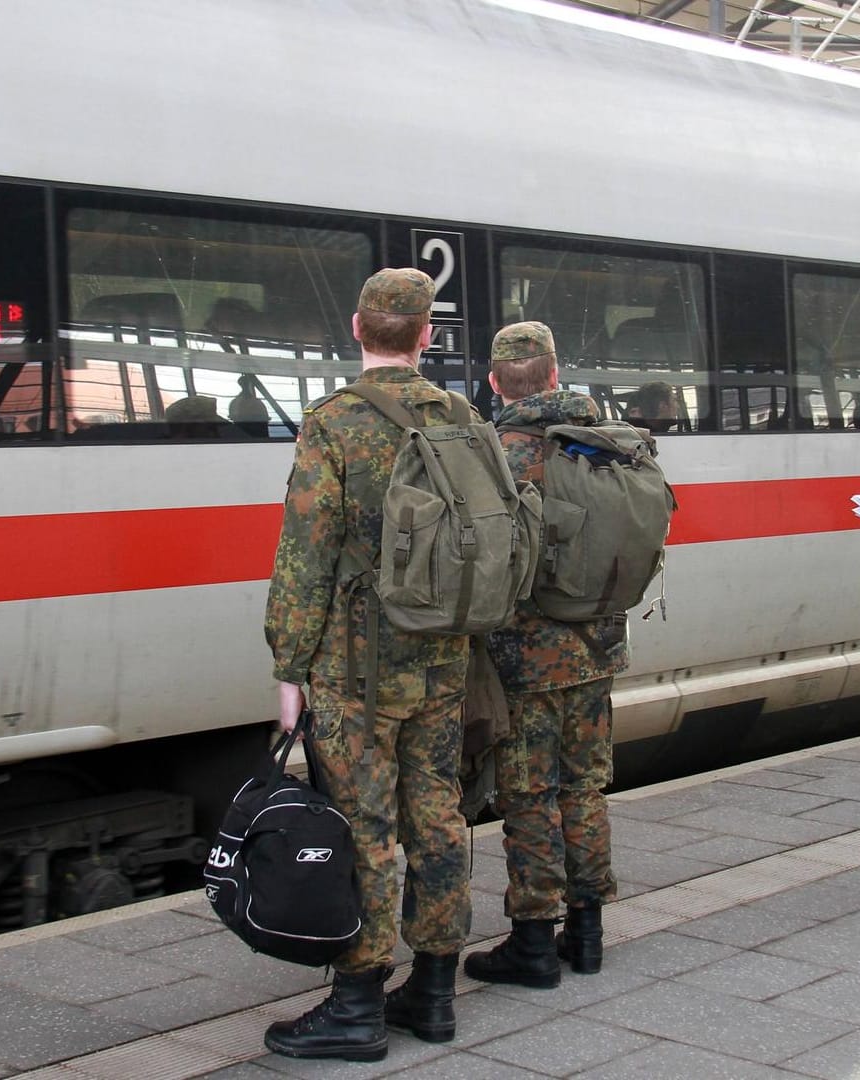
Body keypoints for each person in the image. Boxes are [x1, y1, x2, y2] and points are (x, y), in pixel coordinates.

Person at [262, 268, 470, 1062]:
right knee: (439, 815)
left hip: (356, 672)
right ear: (426, 335)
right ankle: (437, 992)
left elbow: (305, 555)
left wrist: (290, 664)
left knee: (365, 826)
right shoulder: (462, 416)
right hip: (444, 659)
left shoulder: (335, 423)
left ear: (356, 328)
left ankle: (357, 1005)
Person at [463, 321, 627, 988]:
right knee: (585, 786)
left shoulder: (495, 454)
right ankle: (586, 932)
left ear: (497, 383)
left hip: (525, 660)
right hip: (595, 648)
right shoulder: (607, 442)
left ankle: (533, 942)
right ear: (556, 376)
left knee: (531, 797)